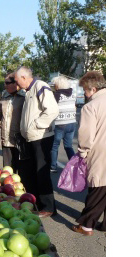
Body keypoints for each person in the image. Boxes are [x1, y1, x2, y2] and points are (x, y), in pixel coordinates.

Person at [14, 65, 59, 217]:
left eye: (17, 81)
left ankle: (49, 207)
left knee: (42, 173)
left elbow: (52, 110)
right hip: (31, 138)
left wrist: (36, 125)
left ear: (24, 77)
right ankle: (37, 203)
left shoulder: (40, 86)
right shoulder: (28, 91)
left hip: (41, 138)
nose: (16, 84)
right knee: (31, 172)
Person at [73, 71, 106, 236]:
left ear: (93, 89)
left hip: (101, 152)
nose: (84, 94)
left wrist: (82, 153)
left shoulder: (91, 107)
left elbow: (86, 135)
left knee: (97, 188)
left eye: (85, 90)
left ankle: (86, 225)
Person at [50, 75, 77, 172]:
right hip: (72, 123)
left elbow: (52, 108)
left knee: (54, 146)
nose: (54, 86)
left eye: (55, 85)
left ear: (58, 85)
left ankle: (53, 166)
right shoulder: (72, 94)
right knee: (68, 146)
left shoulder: (57, 95)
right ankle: (75, 166)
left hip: (60, 123)